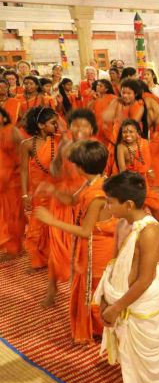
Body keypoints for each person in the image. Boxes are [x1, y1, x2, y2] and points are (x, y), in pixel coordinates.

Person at [93, 171, 159, 383]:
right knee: (130, 357)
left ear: (128, 205)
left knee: (152, 365)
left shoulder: (149, 231)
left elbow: (146, 279)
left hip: (140, 304)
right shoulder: (122, 224)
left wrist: (117, 307)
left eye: (110, 202)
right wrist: (107, 298)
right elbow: (114, 264)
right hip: (123, 299)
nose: (107, 207)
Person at [34, 140, 117, 343]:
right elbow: (72, 200)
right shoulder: (95, 181)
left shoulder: (97, 195)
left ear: (80, 167)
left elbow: (85, 231)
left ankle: (103, 330)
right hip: (92, 245)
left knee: (96, 290)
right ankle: (96, 328)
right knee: (92, 290)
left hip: (98, 249)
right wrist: (52, 191)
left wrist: (52, 221)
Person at [41, 108, 98, 308]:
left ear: (92, 129)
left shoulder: (96, 149)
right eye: (75, 124)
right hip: (62, 201)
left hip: (86, 200)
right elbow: (54, 171)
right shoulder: (64, 145)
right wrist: (59, 155)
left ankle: (84, 290)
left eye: (84, 125)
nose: (79, 129)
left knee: (85, 249)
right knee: (57, 247)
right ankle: (52, 287)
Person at [20, 107, 60, 270]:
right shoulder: (27, 144)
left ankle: (55, 256)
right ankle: (40, 258)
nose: (56, 126)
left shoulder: (58, 141)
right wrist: (24, 195)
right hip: (38, 192)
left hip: (56, 191)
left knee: (56, 224)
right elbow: (24, 171)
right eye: (53, 123)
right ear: (41, 125)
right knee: (39, 225)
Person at [0, 106, 25, 261]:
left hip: (12, 180)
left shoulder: (12, 131)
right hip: (1, 180)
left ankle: (15, 247)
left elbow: (23, 153)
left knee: (13, 213)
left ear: (4, 117)